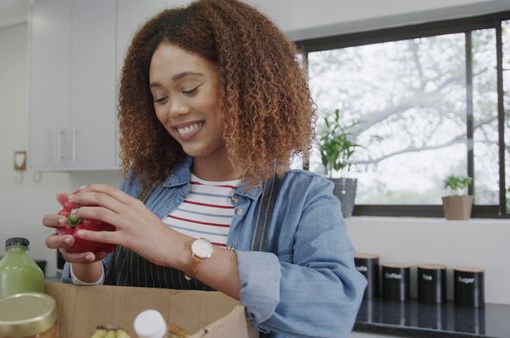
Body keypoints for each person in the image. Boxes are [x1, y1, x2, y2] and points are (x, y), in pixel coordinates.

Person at [43, 0, 366, 337]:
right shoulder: (143, 184)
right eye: (160, 98)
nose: (174, 110)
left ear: (243, 86)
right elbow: (100, 299)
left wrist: (183, 250)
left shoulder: (303, 197)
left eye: (190, 89)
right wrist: (85, 262)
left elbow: (334, 309)